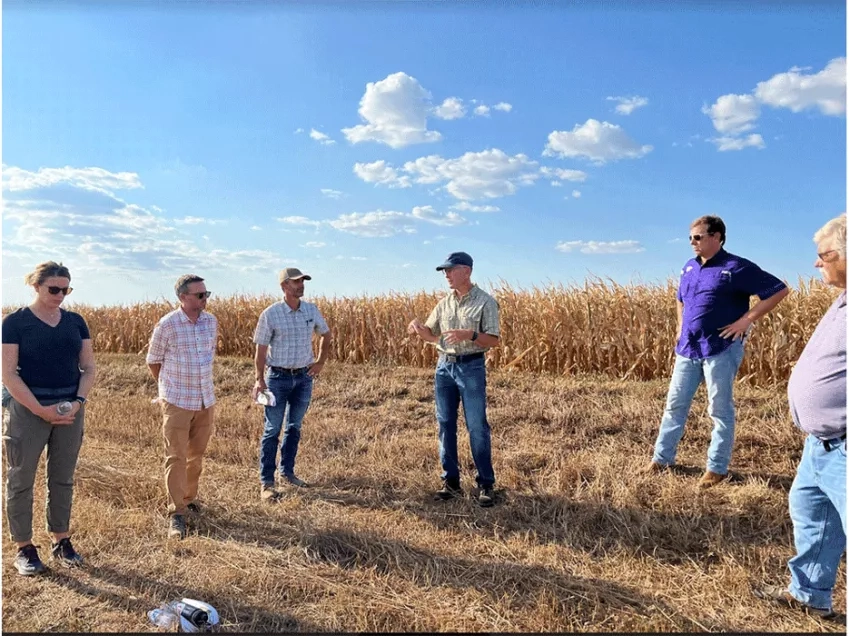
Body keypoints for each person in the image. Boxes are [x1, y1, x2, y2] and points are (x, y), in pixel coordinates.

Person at [645, 215, 789, 487]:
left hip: (720, 348)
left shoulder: (736, 267)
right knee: (674, 406)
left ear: (717, 237)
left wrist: (746, 320)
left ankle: (717, 468)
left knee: (719, 409)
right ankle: (661, 460)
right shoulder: (688, 268)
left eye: (698, 237)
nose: (692, 243)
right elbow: (680, 300)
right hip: (688, 348)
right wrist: (679, 326)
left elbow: (778, 290)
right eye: (690, 238)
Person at [754, 214, 846, 620]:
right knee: (812, 514)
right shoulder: (842, 300)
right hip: (821, 445)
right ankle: (809, 592)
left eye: (824, 255)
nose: (816, 263)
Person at [1, 261, 96, 575]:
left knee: (62, 477)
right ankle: (24, 548)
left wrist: (79, 401)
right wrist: (40, 410)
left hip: (70, 408)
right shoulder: (15, 323)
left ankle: (61, 540)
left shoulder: (75, 322)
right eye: (53, 289)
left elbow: (89, 368)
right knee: (21, 478)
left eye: (65, 289)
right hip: (28, 409)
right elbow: (9, 375)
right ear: (36, 286)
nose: (60, 295)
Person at [408, 251, 500, 507]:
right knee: (445, 424)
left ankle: (486, 484)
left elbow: (493, 340)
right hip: (444, 368)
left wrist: (469, 334)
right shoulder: (444, 303)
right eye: (444, 271)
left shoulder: (486, 302)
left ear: (467, 271)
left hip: (471, 368)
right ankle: (451, 483)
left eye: (450, 270)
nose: (446, 274)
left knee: (477, 426)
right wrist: (417, 327)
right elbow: (431, 333)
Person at [146, 274, 217, 540]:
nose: (204, 299)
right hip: (177, 400)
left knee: (196, 455)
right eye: (200, 295)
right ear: (183, 297)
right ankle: (176, 512)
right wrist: (168, 390)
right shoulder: (168, 324)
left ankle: (189, 498)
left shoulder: (211, 322)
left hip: (204, 399)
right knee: (175, 455)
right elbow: (153, 361)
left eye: (206, 294)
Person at [252, 268, 332, 500]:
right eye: (296, 282)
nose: (301, 285)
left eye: (302, 281)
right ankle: (267, 482)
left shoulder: (311, 310)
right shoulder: (271, 314)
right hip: (277, 378)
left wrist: (320, 362)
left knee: (294, 427)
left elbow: (326, 334)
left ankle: (288, 472)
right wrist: (259, 379)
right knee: (271, 430)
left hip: (304, 378)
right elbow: (260, 349)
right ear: (284, 286)